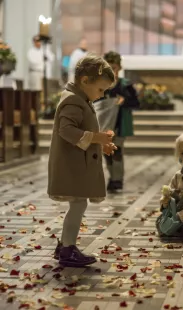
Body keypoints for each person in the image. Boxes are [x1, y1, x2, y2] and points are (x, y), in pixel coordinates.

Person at [48, 54, 117, 267]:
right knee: (78, 205)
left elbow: (81, 130)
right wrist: (97, 138)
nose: (102, 94)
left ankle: (64, 245)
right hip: (71, 166)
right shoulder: (72, 100)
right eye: (101, 90)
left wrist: (100, 143)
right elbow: (66, 131)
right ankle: (67, 248)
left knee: (78, 204)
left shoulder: (80, 98)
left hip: (76, 164)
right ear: (85, 81)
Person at [94, 51, 140, 192]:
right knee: (106, 151)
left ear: (119, 68)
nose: (111, 71)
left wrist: (124, 101)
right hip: (103, 124)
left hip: (119, 123)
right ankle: (112, 177)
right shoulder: (100, 85)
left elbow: (136, 103)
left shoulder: (125, 85)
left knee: (117, 150)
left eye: (113, 67)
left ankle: (117, 179)